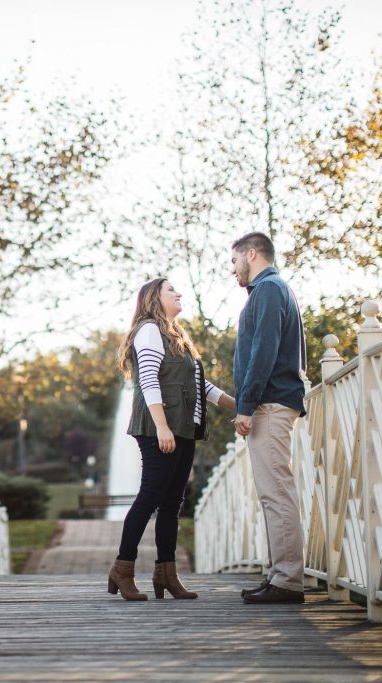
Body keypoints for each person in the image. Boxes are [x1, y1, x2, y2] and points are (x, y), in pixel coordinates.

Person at [108, 277, 236, 601]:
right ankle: (123, 569)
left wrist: (239, 405)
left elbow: (200, 387)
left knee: (171, 504)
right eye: (171, 291)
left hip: (183, 428)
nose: (179, 294)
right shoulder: (149, 329)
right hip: (158, 429)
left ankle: (166, 572)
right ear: (154, 298)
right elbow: (148, 380)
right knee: (150, 497)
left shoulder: (176, 334)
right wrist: (162, 427)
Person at [230, 231, 308, 605]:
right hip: (271, 402)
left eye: (234, 261)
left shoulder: (270, 289)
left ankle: (289, 580)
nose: (233, 270)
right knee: (271, 494)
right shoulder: (270, 290)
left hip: (270, 404)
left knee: (277, 493)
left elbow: (264, 350)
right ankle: (279, 575)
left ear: (252, 253)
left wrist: (245, 405)